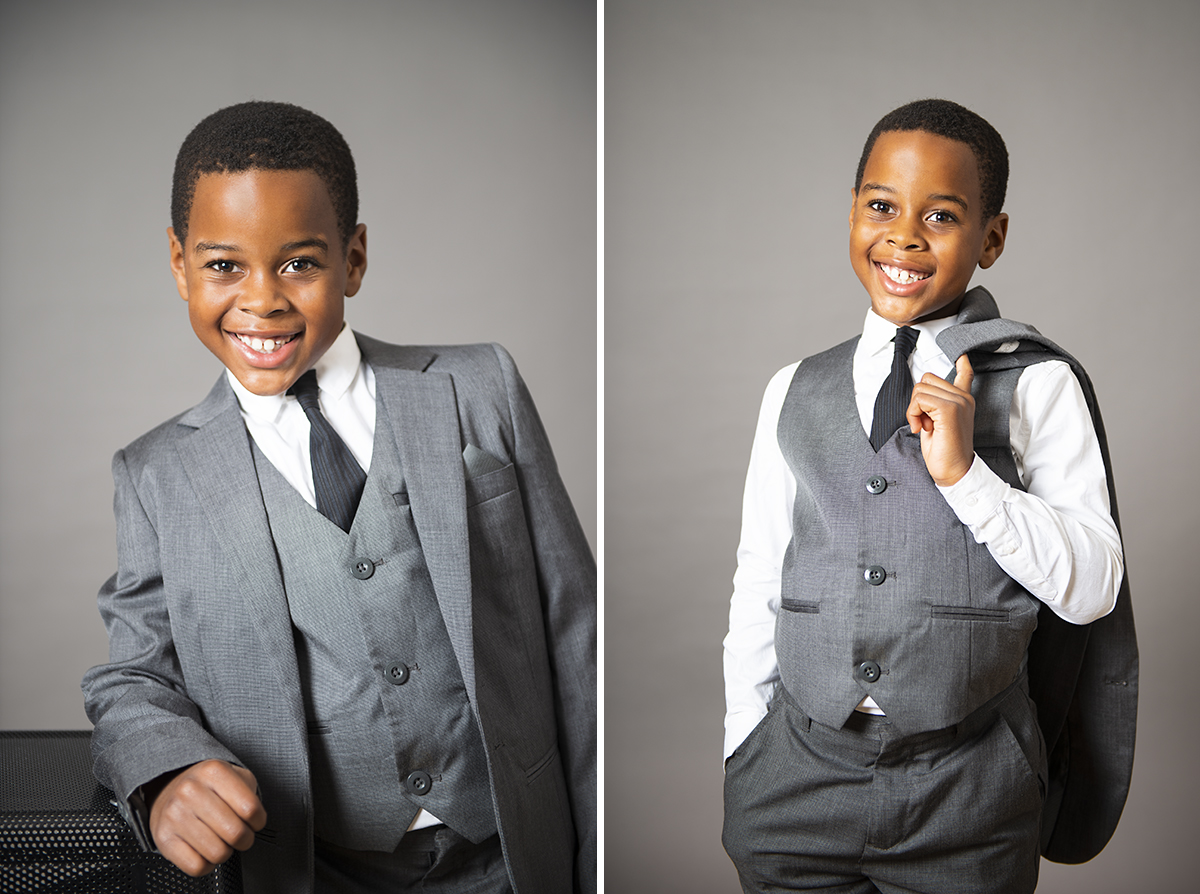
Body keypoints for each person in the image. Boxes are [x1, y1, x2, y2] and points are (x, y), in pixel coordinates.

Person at [82, 101, 596, 894]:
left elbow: (574, 631)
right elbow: (133, 676)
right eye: (224, 267)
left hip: (513, 852)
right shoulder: (156, 474)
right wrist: (165, 771)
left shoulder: (478, 387)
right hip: (314, 869)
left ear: (352, 260)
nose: (263, 300)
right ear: (180, 265)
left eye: (299, 264)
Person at [721, 98, 1136, 893]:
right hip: (793, 780)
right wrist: (745, 747)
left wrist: (965, 476)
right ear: (852, 212)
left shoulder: (1038, 382)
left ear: (992, 238)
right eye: (882, 206)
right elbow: (761, 577)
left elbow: (1093, 590)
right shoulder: (792, 388)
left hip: (969, 789)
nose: (905, 237)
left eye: (941, 216)